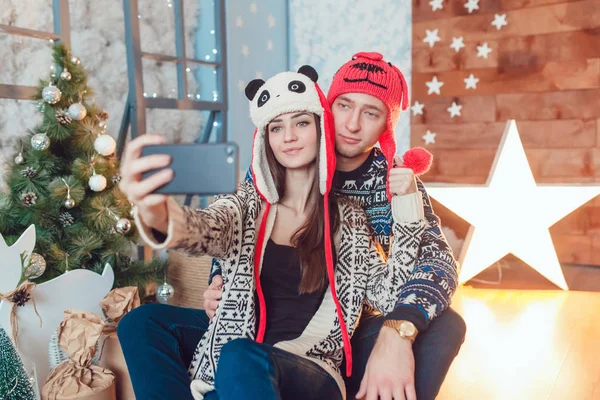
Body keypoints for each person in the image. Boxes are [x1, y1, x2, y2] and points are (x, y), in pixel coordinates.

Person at [117, 65, 426, 400]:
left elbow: (389, 293)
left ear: (322, 128)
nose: (288, 136)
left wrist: (408, 209)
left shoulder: (349, 218)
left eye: (301, 123)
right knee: (140, 321)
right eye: (276, 127)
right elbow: (202, 230)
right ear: (266, 138)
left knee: (239, 355)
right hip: (241, 364)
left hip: (310, 368)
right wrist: (156, 212)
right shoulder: (245, 206)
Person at [204, 52, 467, 400]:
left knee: (447, 323)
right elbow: (237, 226)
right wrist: (217, 283)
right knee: (153, 325)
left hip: (351, 325)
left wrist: (397, 330)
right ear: (325, 106)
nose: (352, 124)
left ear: (385, 125)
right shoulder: (280, 158)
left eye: (370, 112)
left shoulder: (394, 180)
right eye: (344, 106)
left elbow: (439, 262)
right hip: (270, 325)